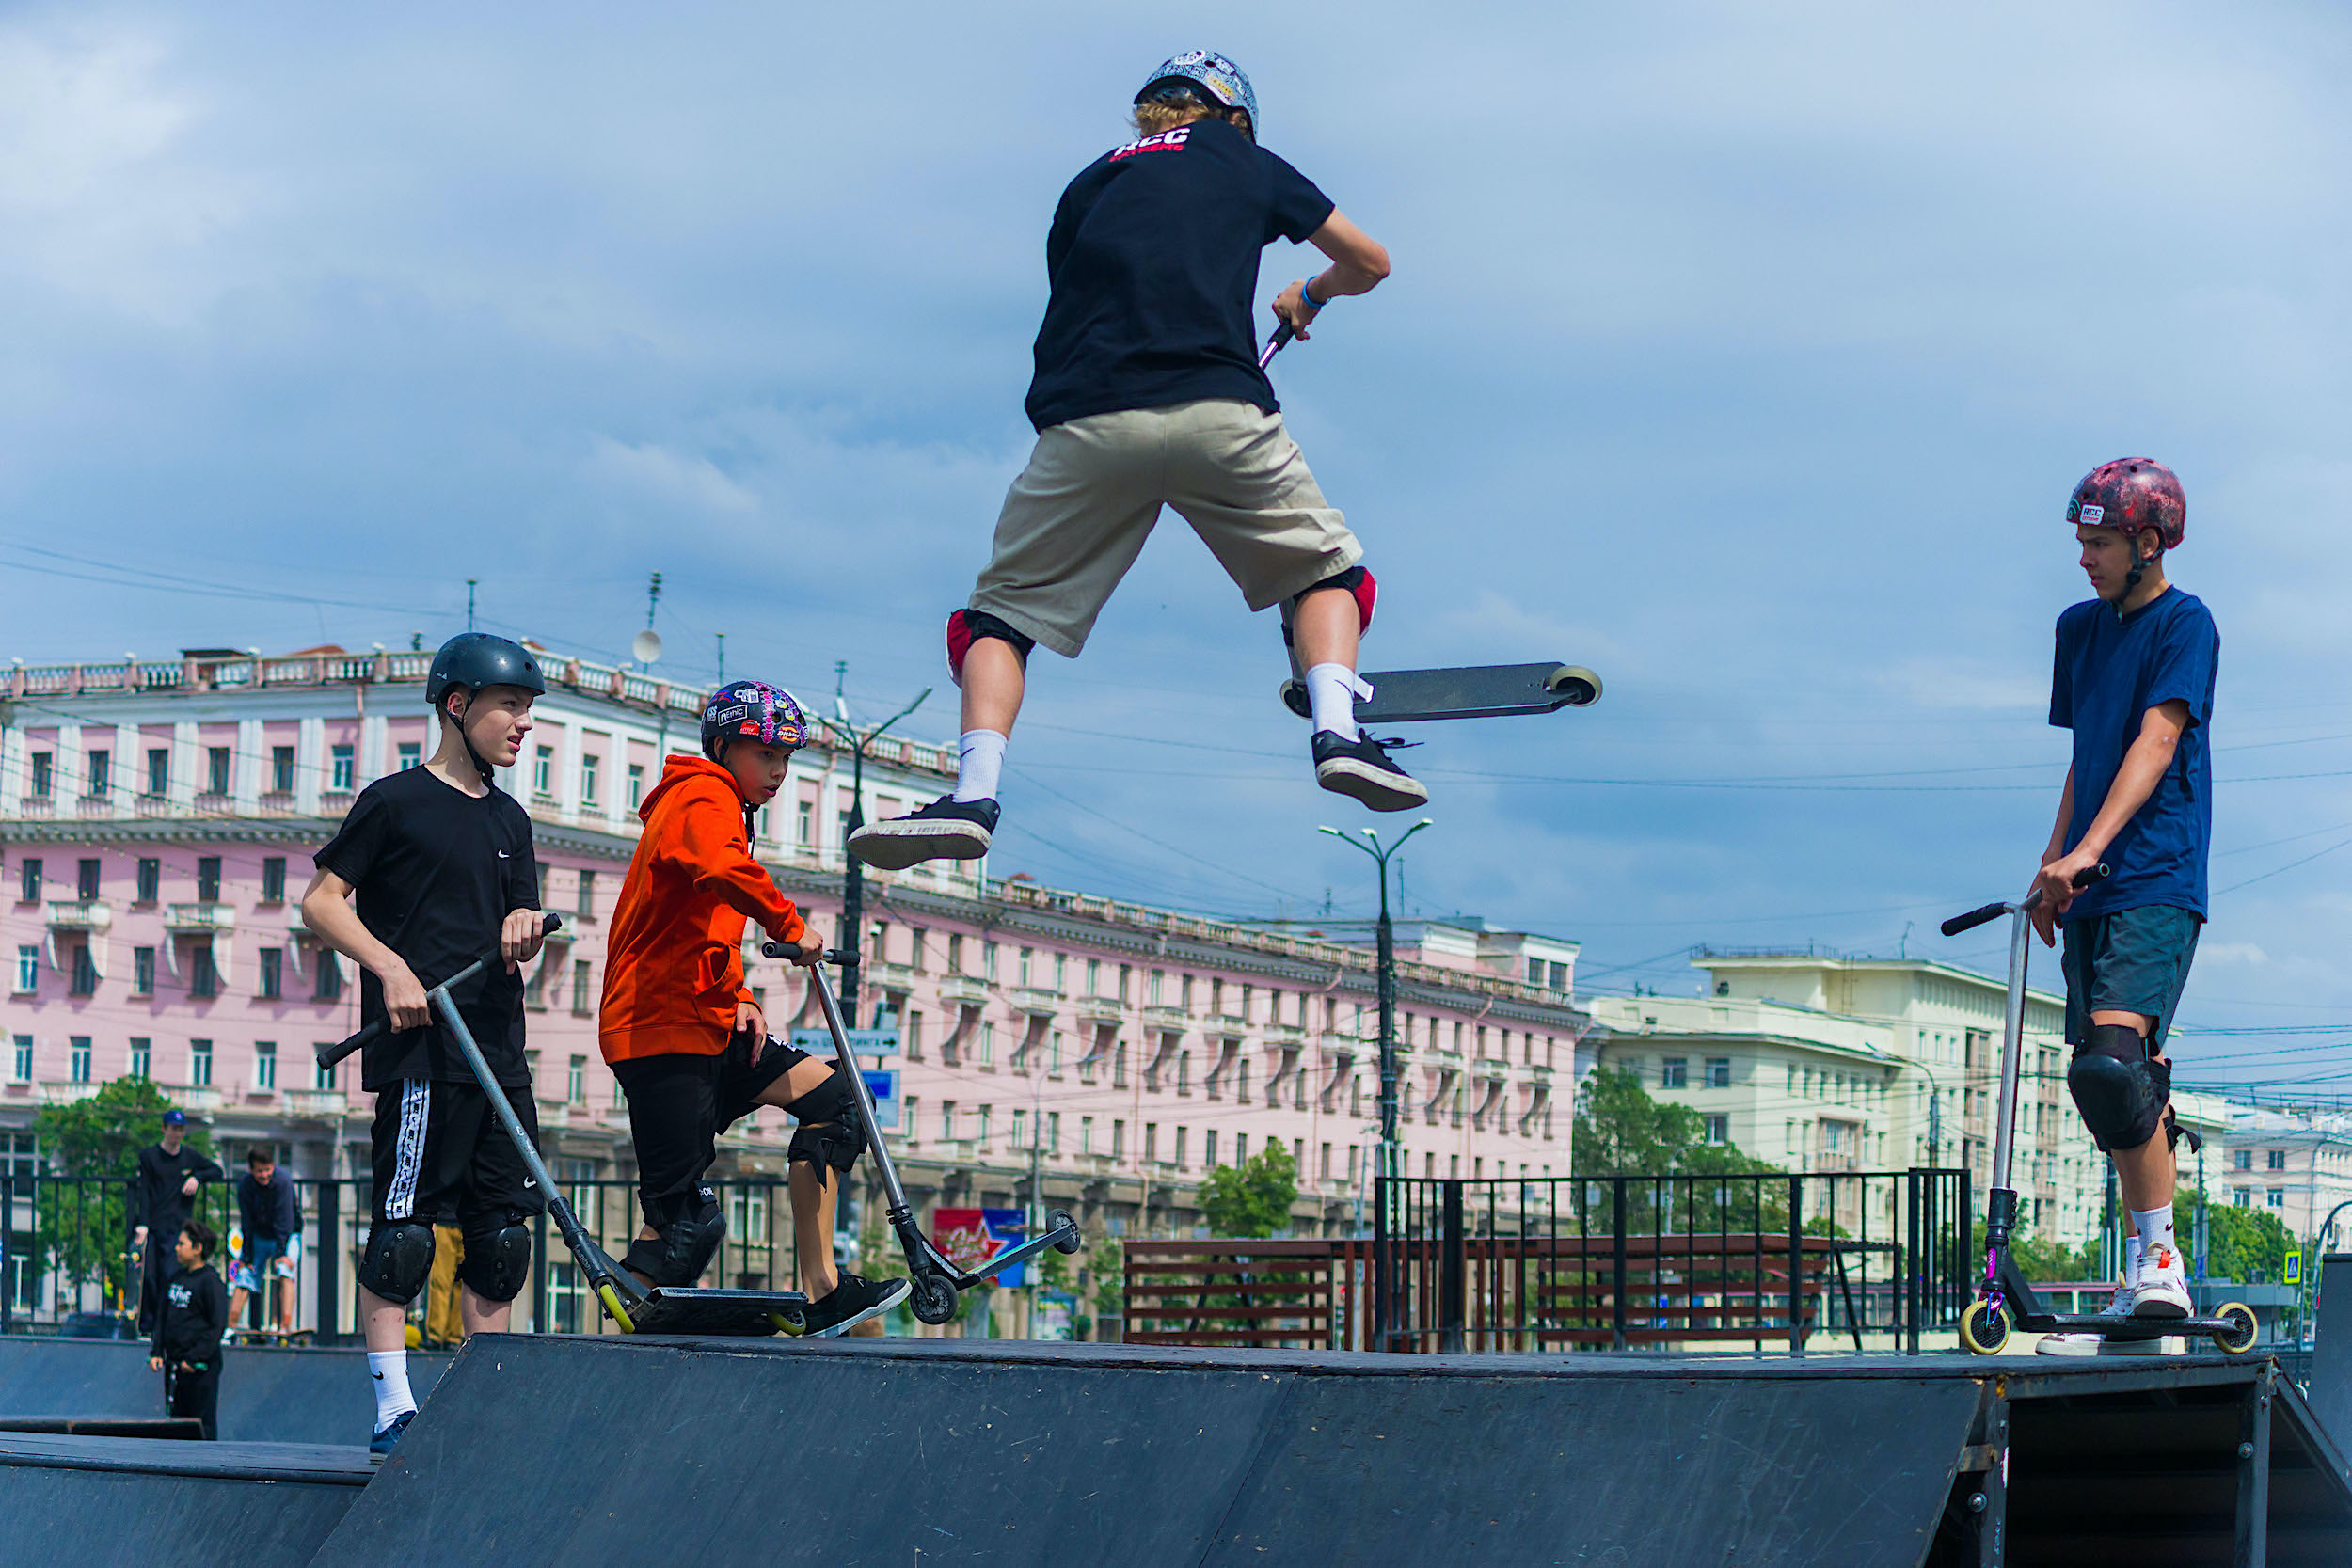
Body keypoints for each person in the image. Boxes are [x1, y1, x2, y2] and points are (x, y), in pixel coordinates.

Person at [849, 50, 1415, 873]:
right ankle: (1338, 727)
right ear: (1236, 118)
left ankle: (973, 791)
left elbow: (1087, 295)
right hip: (1219, 410)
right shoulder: (1246, 160)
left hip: (1086, 424)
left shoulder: (1089, 183)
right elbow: (1371, 261)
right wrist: (1308, 295)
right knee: (1328, 573)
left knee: (996, 618)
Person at [299, 632, 551, 1454]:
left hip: (497, 1055)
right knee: (406, 1235)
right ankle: (392, 1410)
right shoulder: (394, 801)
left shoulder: (512, 818)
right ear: (457, 704)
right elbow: (324, 902)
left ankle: (482, 1414)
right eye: (509, 705)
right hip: (421, 1054)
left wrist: (525, 925)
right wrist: (391, 969)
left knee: (501, 1240)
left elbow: (520, 918)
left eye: (528, 709)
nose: (522, 724)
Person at [600, 681, 910, 1337]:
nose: (777, 771)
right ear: (721, 744)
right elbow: (719, 871)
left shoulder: (725, 808)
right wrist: (791, 924)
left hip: (711, 1022)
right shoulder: (700, 793)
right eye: (764, 752)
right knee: (681, 1232)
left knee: (840, 1103)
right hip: (661, 1032)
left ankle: (825, 1289)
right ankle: (632, 1342)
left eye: (788, 758)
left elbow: (700, 922)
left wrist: (740, 994)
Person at [2026, 459, 2218, 1355]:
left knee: (2111, 1066)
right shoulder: (2078, 631)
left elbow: (2154, 739)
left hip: (2156, 875)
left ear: (2148, 543)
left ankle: (2163, 1269)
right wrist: (2052, 862)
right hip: (2090, 880)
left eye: (2099, 543)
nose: (2086, 559)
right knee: (2108, 1084)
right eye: (2081, 542)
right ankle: (2147, 1273)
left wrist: (2091, 853)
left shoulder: (2186, 624)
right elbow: (2087, 759)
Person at [130, 1108, 223, 1338]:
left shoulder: (189, 1157)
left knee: (169, 1275)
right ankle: (148, 1326)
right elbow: (145, 1192)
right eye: (173, 1129)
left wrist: (196, 1177)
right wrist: (143, 1224)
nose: (177, 1134)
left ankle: (166, 1327)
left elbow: (217, 1171)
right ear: (164, 1129)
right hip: (153, 1226)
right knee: (149, 1277)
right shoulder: (149, 1156)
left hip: (177, 1229)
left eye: (180, 1129)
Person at [150, 1219, 227, 1440]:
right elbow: (162, 1318)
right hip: (176, 1364)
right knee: (176, 1424)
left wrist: (195, 1358)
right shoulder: (176, 1278)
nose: (176, 1248)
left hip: (199, 1368)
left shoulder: (210, 1282)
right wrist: (157, 1351)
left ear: (197, 1248)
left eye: (182, 1244)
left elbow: (216, 1326)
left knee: (201, 1424)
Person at [228, 1146, 302, 1335]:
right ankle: (230, 1327)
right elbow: (247, 1220)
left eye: (268, 1169)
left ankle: (285, 1326)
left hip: (287, 1234)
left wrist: (281, 1254)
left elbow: (285, 1220)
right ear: (251, 1170)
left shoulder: (283, 1181)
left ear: (273, 1166)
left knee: (285, 1271)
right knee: (245, 1275)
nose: (264, 1175)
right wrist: (246, 1257)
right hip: (258, 1235)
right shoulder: (245, 1185)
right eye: (259, 1171)